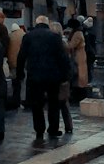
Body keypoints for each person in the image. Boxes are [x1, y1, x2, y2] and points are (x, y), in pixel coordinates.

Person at [16, 15, 71, 143]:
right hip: (53, 76)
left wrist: (20, 73)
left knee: (37, 104)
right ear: (47, 24)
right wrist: (65, 75)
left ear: (36, 23)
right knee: (53, 103)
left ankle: (39, 130)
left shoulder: (28, 36)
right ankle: (53, 129)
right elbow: (62, 57)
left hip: (34, 75)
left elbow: (21, 56)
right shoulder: (55, 37)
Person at [65, 17, 89, 102]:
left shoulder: (77, 33)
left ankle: (79, 96)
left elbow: (71, 45)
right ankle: (78, 94)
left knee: (79, 77)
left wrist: (64, 42)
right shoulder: (78, 32)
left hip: (78, 56)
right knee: (79, 76)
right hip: (78, 56)